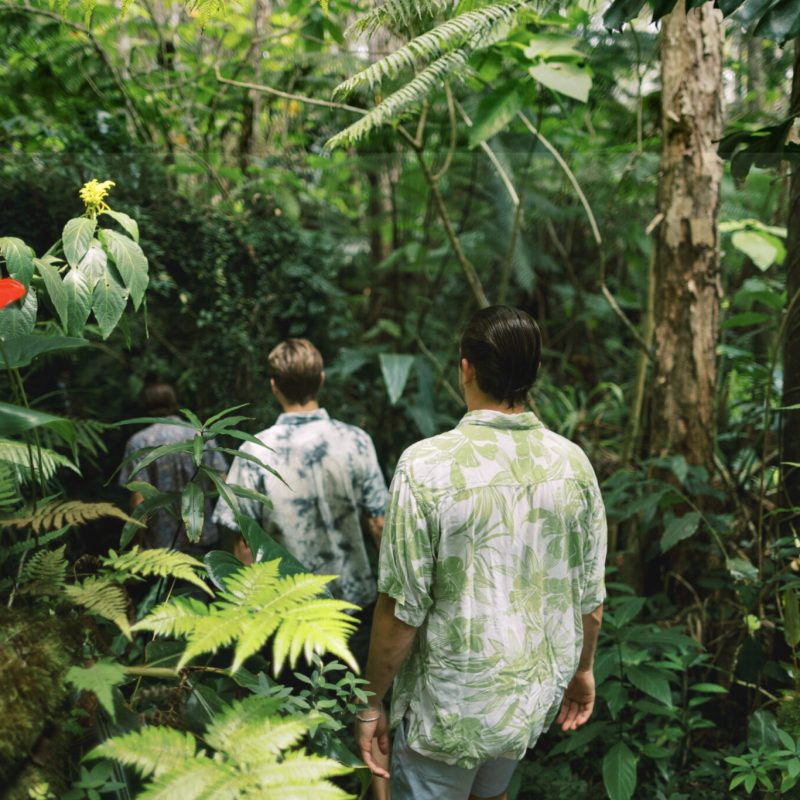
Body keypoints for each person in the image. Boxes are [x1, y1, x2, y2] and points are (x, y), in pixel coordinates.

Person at [355, 306, 607, 800]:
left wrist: (370, 703)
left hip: (448, 710)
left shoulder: (425, 467)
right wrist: (582, 670)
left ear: (465, 369)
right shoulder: (573, 465)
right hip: (525, 703)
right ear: (535, 373)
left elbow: (401, 610)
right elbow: (590, 600)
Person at [213, 337, 391, 800]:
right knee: (367, 714)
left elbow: (238, 540)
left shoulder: (255, 450)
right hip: (357, 605)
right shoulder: (355, 441)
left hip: (286, 611)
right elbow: (380, 524)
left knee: (292, 722)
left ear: (274, 386)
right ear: (322, 380)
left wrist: (247, 610)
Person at [118, 380, 228, 554]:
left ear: (146, 405)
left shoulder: (140, 442)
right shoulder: (201, 435)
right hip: (204, 539)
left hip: (161, 548)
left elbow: (140, 501)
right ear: (174, 402)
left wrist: (133, 546)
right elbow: (222, 486)